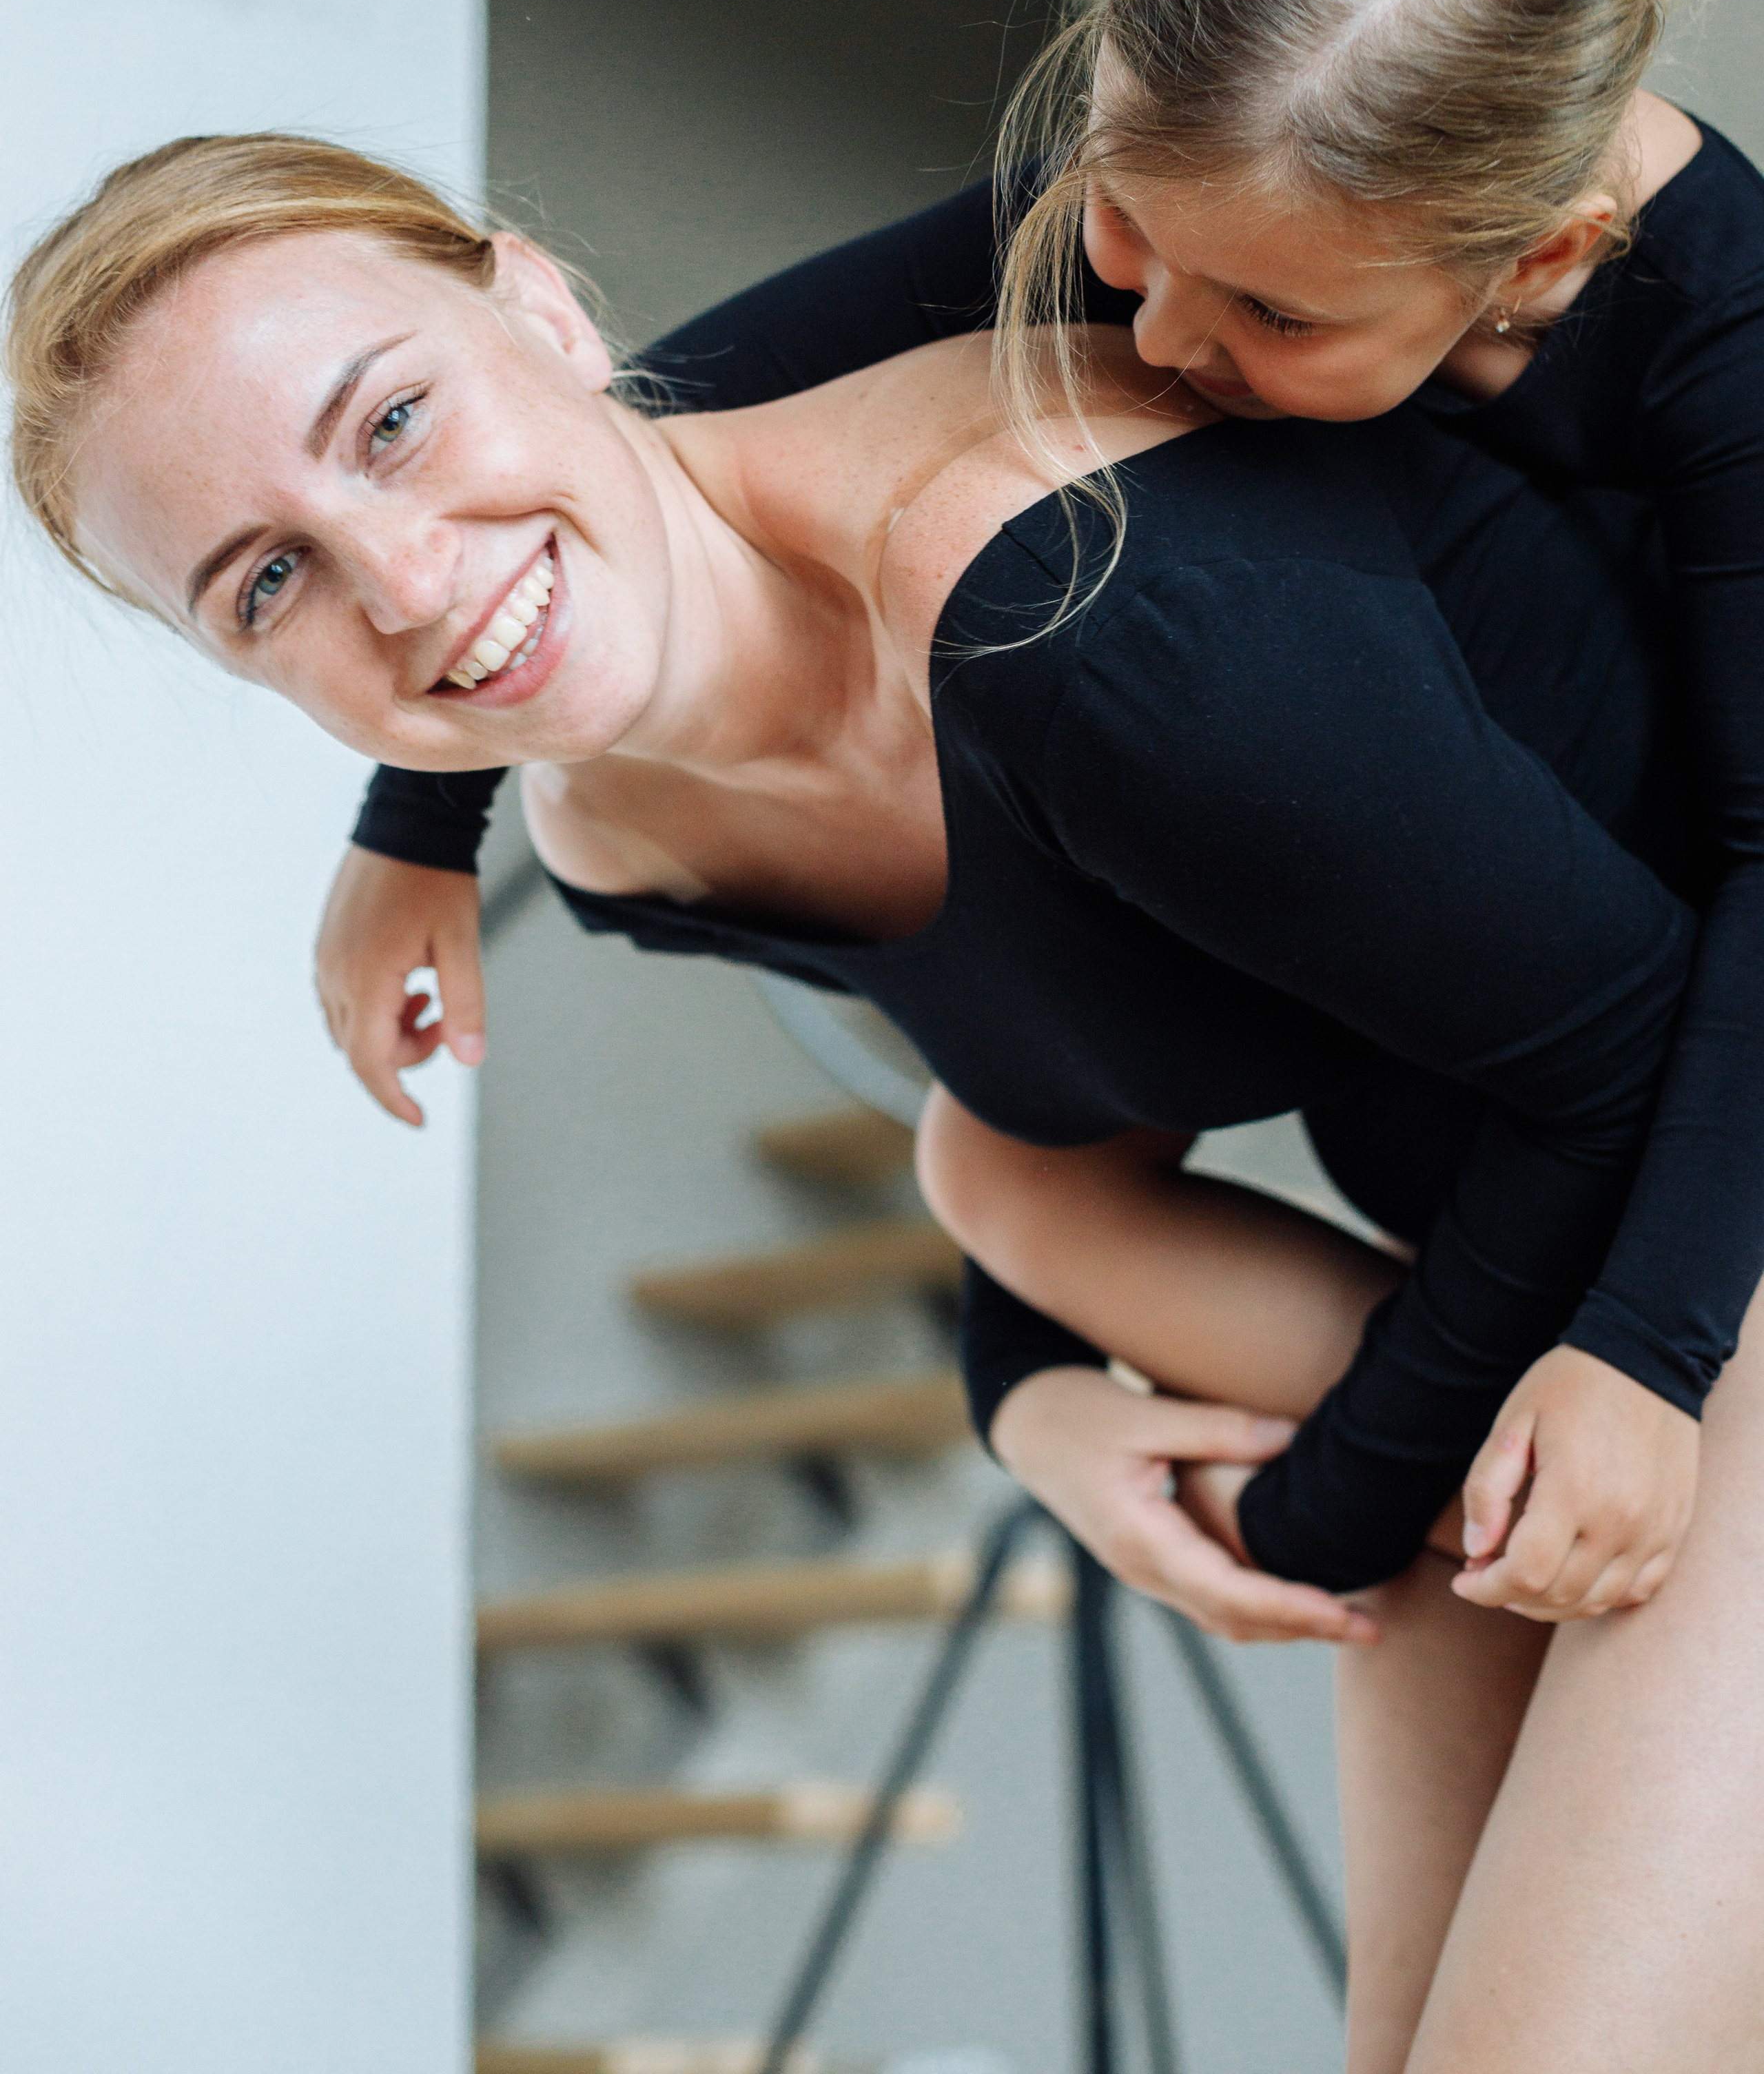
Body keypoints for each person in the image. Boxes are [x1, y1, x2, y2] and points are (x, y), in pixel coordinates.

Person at [4, 125, 1752, 2071]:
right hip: (1523, 1262)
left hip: (1704, 1204)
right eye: (266, 585)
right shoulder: (627, 843)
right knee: (983, 1170)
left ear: (545, 304)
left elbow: (1643, 1042)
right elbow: (1071, 1049)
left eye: (397, 419)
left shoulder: (1078, 606)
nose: (401, 585)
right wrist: (1033, 1401)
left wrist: (1322, 1515)